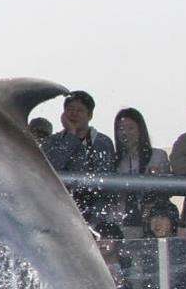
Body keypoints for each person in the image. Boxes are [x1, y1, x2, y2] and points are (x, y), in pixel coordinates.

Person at [42, 90, 116, 223]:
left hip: (93, 213)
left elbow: (105, 182)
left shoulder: (102, 142)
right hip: (59, 210)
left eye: (79, 110)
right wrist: (71, 134)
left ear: (90, 115)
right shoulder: (52, 142)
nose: (74, 114)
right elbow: (51, 169)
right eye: (70, 109)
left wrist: (95, 221)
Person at [109, 107, 169, 229]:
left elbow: (167, 191)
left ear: (140, 130)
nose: (125, 132)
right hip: (120, 223)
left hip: (150, 222)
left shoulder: (157, 156)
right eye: (120, 128)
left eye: (130, 128)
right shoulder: (113, 161)